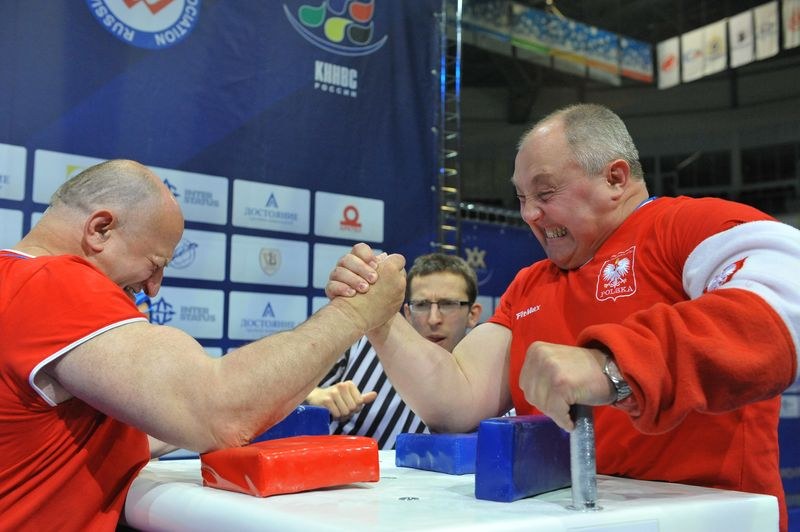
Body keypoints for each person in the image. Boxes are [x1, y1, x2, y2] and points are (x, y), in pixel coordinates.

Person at [327, 103, 800, 531]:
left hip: (708, 518)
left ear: (615, 179)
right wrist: (382, 319)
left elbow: (782, 306)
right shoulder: (531, 283)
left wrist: (611, 368)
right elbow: (456, 399)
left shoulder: (691, 227)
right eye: (520, 197)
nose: (530, 214)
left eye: (545, 192)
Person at [0, 159, 406, 530]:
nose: (153, 289)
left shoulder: (13, 278)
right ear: (100, 229)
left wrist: (287, 398)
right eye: (155, 264)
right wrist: (355, 314)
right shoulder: (55, 285)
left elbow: (139, 425)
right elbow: (217, 413)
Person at [306, 253, 483, 449]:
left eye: (448, 304)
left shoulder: (490, 380)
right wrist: (315, 397)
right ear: (407, 313)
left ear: (473, 314)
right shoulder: (359, 345)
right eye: (421, 305)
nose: (433, 319)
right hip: (352, 479)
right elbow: (286, 398)